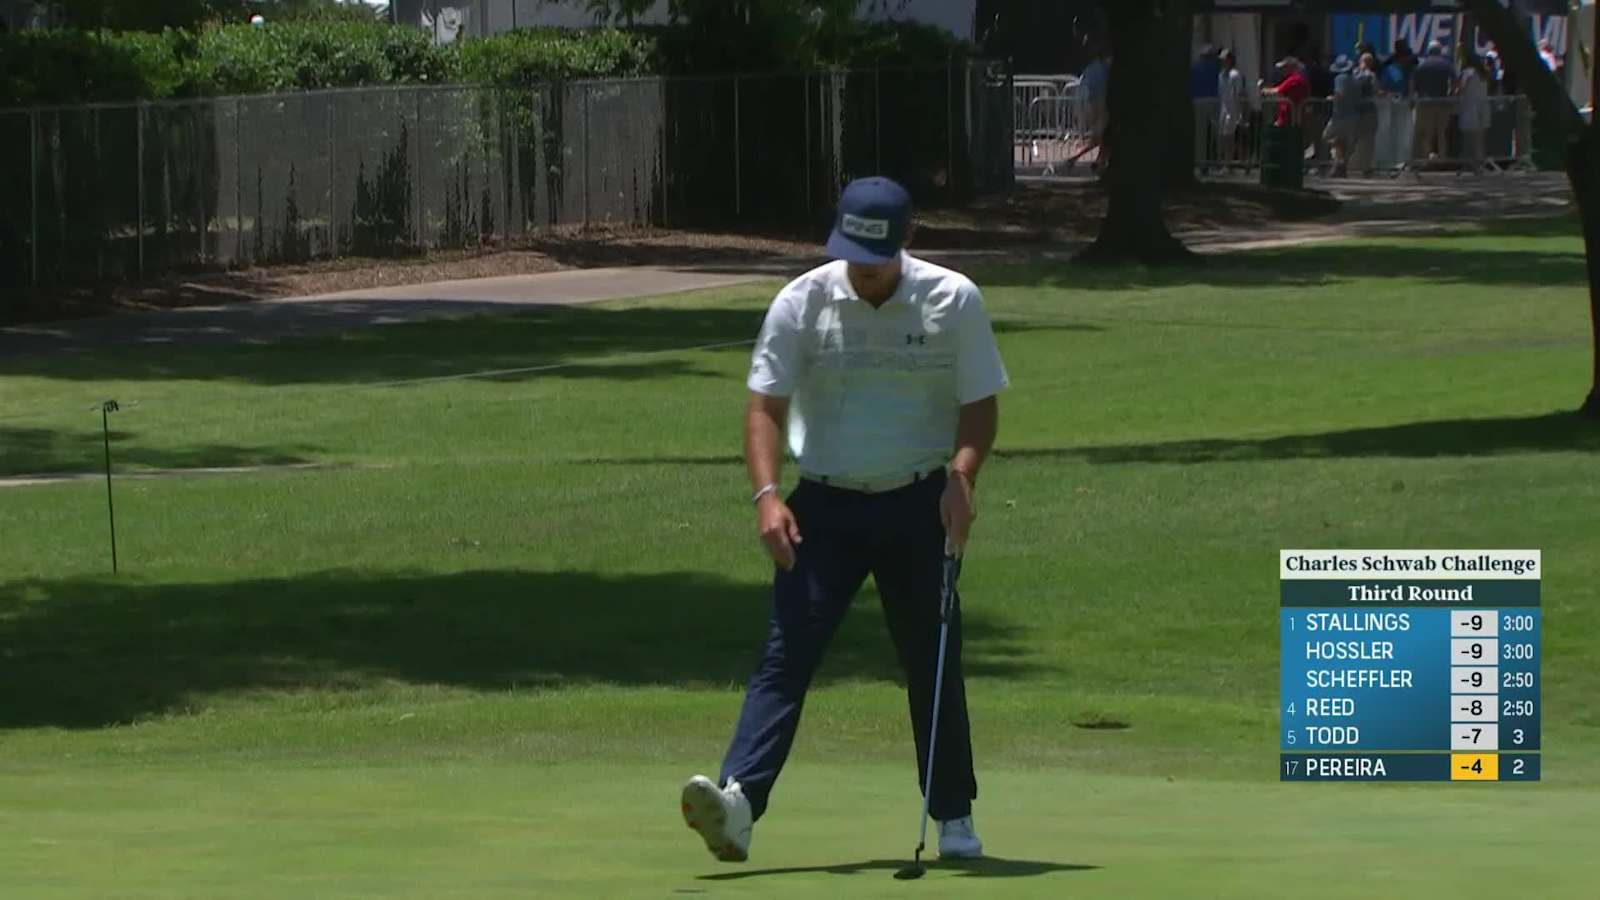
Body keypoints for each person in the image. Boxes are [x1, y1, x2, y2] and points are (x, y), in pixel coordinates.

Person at [680, 176, 1008, 865]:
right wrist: (767, 496)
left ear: (903, 243)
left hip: (919, 499)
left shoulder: (954, 299)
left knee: (932, 658)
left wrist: (962, 478)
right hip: (823, 506)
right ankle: (739, 803)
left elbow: (979, 404)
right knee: (787, 654)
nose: (862, 269)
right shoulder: (802, 300)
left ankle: (952, 814)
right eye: (852, 254)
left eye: (876, 257)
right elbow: (764, 405)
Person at [1411, 41, 1456, 164]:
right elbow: (1454, 83)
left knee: (1427, 133)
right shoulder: (1447, 65)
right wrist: (1451, 96)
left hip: (1425, 103)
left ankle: (1425, 160)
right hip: (1443, 103)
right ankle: (1442, 159)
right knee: (1442, 133)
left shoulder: (1422, 65)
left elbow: (1414, 86)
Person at [1457, 50, 1492, 173]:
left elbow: (1461, 88)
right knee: (1480, 138)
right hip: (1483, 107)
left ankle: (1469, 163)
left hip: (1470, 106)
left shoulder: (1468, 72)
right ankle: (1479, 163)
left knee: (1468, 137)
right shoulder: (1485, 73)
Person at [1326, 55, 1359, 176]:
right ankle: (1341, 166)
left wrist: (1332, 98)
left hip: (1339, 114)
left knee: (1327, 136)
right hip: (1352, 114)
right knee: (1344, 141)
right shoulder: (1355, 79)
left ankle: (1339, 162)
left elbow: (1340, 93)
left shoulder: (1340, 78)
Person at [1079, 48, 1111, 169]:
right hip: (1100, 102)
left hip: (1092, 103)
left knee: (1100, 137)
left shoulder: (1092, 68)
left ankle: (1100, 160)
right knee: (1101, 136)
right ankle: (1099, 161)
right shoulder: (1103, 70)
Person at [1217, 48, 1249, 169]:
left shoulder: (1235, 75)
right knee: (1225, 136)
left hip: (1234, 108)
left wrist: (1242, 112)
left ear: (1230, 60)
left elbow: (1239, 93)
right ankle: (1228, 162)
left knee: (1232, 136)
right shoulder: (1221, 75)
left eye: (1224, 60)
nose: (1222, 62)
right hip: (1224, 108)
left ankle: (1232, 163)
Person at [1352, 53, 1381, 175]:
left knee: (1353, 139)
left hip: (1354, 111)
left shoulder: (1353, 74)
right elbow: (1375, 91)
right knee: (1368, 141)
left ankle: (1348, 164)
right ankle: (1366, 168)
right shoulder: (1371, 76)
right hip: (1369, 111)